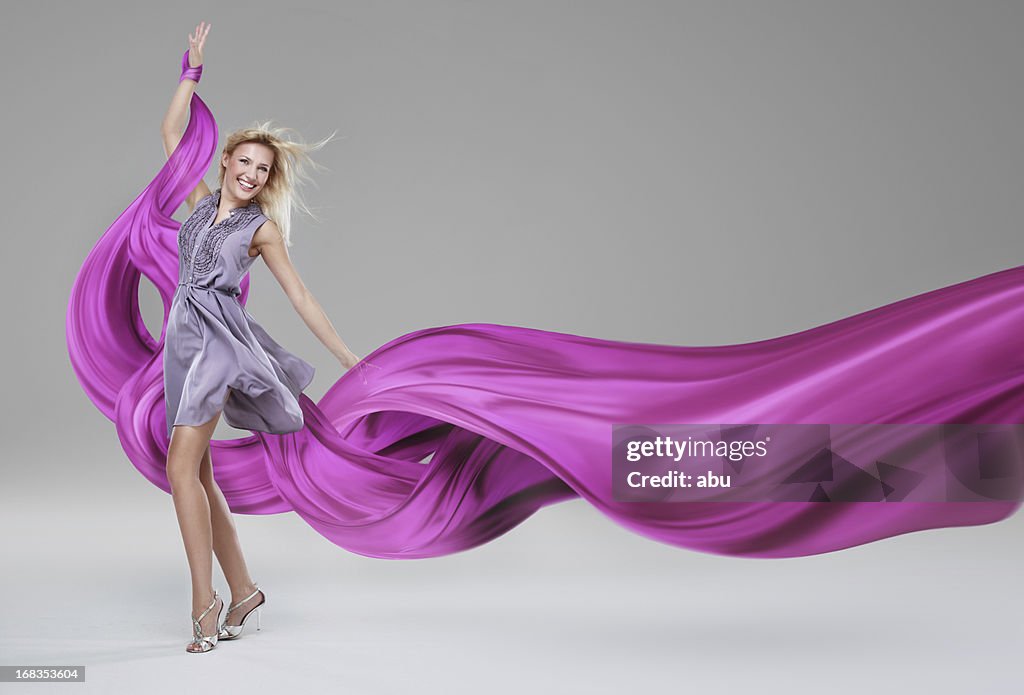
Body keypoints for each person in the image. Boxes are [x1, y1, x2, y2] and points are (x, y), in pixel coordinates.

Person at [161, 21, 361, 653]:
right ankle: (244, 588)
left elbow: (300, 296)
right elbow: (171, 133)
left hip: (218, 343)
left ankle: (204, 603)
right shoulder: (196, 202)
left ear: (268, 178)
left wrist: (347, 358)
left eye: (262, 168)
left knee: (179, 468)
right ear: (224, 162)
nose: (250, 173)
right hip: (181, 342)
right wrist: (191, 72)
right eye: (243, 161)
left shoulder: (260, 228)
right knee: (200, 475)